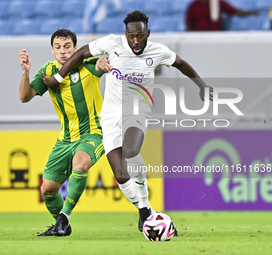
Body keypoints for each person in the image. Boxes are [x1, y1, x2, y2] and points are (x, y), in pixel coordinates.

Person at [43, 10, 213, 234]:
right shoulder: (112, 43)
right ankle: (146, 211)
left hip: (138, 110)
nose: (135, 40)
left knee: (131, 151)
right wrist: (58, 78)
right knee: (122, 175)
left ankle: (144, 209)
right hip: (111, 115)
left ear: (147, 33)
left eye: (140, 36)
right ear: (125, 34)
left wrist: (201, 85)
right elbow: (82, 52)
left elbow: (181, 64)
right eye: (131, 35)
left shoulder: (157, 51)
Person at [19, 28, 106, 236]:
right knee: (47, 190)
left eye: (67, 47)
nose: (63, 51)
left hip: (93, 132)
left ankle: (63, 218)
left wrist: (104, 63)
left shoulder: (88, 64)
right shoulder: (48, 71)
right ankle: (62, 227)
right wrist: (26, 72)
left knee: (81, 162)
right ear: (52, 50)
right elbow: (24, 97)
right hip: (65, 139)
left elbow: (106, 63)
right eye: (58, 47)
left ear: (76, 48)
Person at [186, 0, 259, 31]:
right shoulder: (193, 6)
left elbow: (235, 11)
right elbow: (189, 24)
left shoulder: (217, 2)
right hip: (198, 36)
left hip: (215, 36)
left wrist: (250, 12)